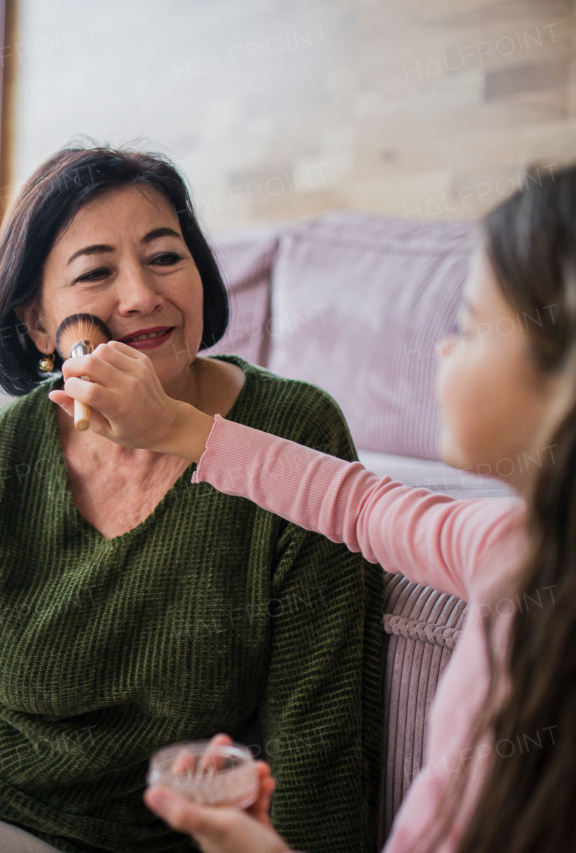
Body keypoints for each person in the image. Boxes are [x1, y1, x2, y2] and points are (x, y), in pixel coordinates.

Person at [0, 148, 385, 853]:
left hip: (90, 826)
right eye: (96, 272)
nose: (142, 294)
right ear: (42, 326)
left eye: (165, 256)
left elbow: (319, 738)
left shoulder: (293, 438)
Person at [106, 164, 576, 853]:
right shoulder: (508, 545)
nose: (442, 347)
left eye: (468, 327)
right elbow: (353, 502)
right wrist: (176, 428)